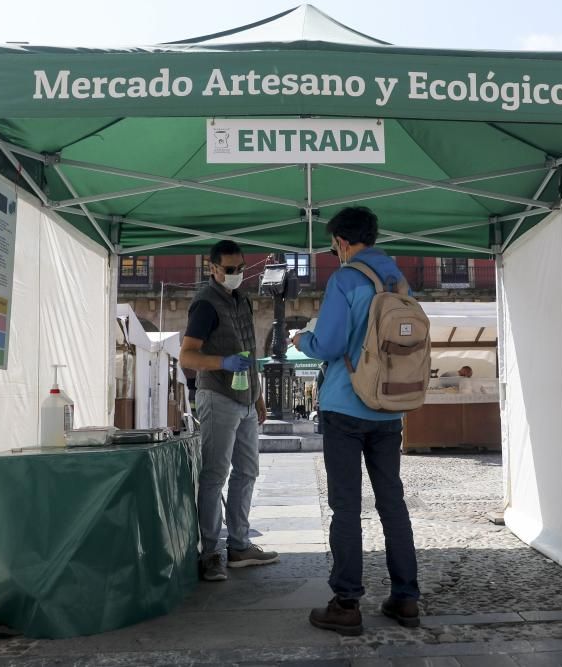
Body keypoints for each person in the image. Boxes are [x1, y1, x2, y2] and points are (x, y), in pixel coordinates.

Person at [293, 206, 420, 636]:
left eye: (333, 246)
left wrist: (301, 339)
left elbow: (327, 344)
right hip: (389, 406)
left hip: (346, 405)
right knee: (392, 505)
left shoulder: (346, 278)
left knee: (346, 507)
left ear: (343, 242)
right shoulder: (399, 280)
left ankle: (346, 603)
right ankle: (406, 597)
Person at [180, 240, 278, 582]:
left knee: (247, 471)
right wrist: (222, 362)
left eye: (241, 269)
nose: (238, 275)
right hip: (218, 396)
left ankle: (239, 546)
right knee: (215, 474)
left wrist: (259, 396)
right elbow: (187, 356)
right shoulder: (205, 304)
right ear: (213, 269)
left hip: (247, 400)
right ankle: (210, 553)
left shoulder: (242, 300)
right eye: (231, 270)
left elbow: (249, 350)